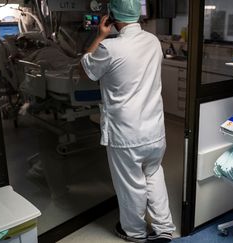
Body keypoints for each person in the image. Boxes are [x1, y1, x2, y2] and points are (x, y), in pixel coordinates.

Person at [80, 0, 175, 242]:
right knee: (154, 176)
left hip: (127, 134)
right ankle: (164, 229)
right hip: (154, 131)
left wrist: (100, 36)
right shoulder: (154, 41)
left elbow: (88, 69)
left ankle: (134, 233)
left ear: (111, 16)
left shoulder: (110, 48)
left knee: (131, 185)